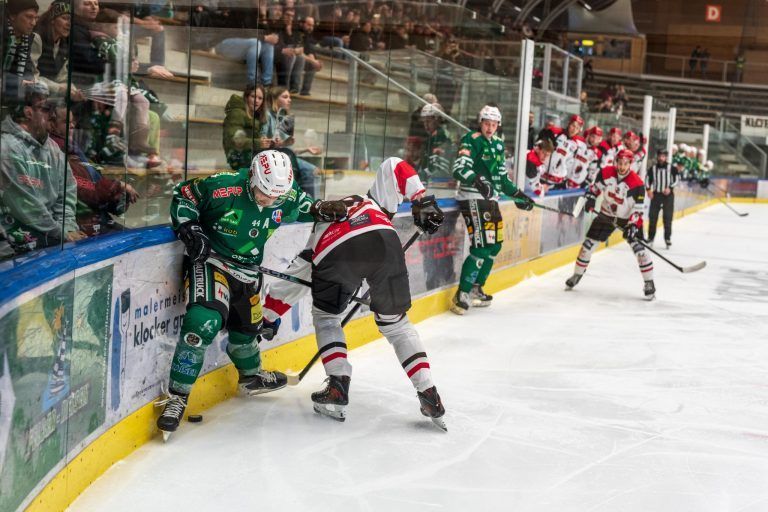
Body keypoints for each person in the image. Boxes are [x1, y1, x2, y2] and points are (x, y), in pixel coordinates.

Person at [156, 150, 348, 438]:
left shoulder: (284, 195)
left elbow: (305, 203)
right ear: (252, 178)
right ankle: (177, 397)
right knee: (202, 322)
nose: (269, 201)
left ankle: (250, 376)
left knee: (247, 332)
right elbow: (185, 195)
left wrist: (321, 207)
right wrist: (190, 228)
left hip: (247, 272)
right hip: (212, 263)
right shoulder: (224, 186)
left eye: (276, 197)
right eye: (264, 193)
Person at [260, 158, 448, 429]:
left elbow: (297, 277)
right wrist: (422, 200)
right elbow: (394, 165)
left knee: (327, 317)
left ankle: (337, 387)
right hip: (385, 242)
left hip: (336, 250)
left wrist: (268, 317)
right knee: (396, 325)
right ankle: (429, 394)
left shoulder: (327, 219)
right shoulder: (376, 204)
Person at [450, 105, 534, 314]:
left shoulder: (497, 144)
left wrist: (518, 195)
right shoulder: (472, 139)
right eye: (487, 123)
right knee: (481, 247)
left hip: (490, 200)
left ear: (498, 125)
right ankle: (462, 293)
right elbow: (459, 168)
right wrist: (477, 180)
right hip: (472, 198)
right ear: (481, 122)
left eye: (494, 124)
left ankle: (477, 287)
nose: (490, 128)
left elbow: (502, 179)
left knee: (494, 246)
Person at [0, 83, 85, 255]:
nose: (53, 114)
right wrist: (61, 233)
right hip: (12, 244)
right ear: (28, 112)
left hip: (49, 236)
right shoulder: (7, 148)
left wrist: (67, 227)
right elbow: (26, 206)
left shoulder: (53, 149)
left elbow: (67, 193)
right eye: (46, 108)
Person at [564, 149, 655, 300]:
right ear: (615, 162)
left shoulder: (638, 184)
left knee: (640, 251)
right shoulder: (605, 172)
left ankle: (649, 282)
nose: (622, 166)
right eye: (619, 162)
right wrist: (591, 198)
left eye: (625, 163)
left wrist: (633, 226)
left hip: (627, 219)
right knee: (587, 246)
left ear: (630, 164)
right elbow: (594, 189)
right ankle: (577, 275)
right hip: (606, 215)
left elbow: (638, 210)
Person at [48, 102, 139, 236]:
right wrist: (118, 185)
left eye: (73, 121)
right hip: (84, 224)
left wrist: (118, 195)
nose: (72, 126)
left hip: (96, 218)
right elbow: (86, 191)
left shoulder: (74, 150)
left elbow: (94, 184)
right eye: (66, 122)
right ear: (52, 125)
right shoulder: (61, 152)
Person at [223, 83, 267, 171]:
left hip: (249, 156)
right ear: (246, 97)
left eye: (260, 98)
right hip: (237, 158)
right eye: (253, 96)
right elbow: (235, 140)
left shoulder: (255, 116)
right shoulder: (237, 113)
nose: (257, 101)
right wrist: (259, 143)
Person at [3, 0, 40, 101]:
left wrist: (30, 81)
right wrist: (19, 82)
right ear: (12, 16)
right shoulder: (3, 34)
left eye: (36, 18)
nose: (33, 23)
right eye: (29, 17)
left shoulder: (25, 38)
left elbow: (27, 67)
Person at [539, 114, 586, 191]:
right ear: (569, 124)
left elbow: (570, 163)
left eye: (577, 128)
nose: (574, 129)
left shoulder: (577, 144)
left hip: (558, 183)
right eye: (573, 126)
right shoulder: (555, 133)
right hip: (542, 178)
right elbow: (539, 147)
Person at [645, 149, 679, 249]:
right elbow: (647, 180)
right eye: (660, 156)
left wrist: (670, 188)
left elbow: (677, 180)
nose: (661, 158)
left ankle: (667, 239)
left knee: (667, 218)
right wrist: (648, 190)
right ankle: (650, 238)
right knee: (652, 218)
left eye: (663, 156)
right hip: (656, 196)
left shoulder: (672, 168)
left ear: (666, 157)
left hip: (668, 196)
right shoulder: (653, 169)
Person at [417, 103, 453, 184]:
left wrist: (422, 176)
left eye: (428, 121)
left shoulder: (441, 136)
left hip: (436, 182)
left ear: (438, 120)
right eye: (424, 121)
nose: (426, 125)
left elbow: (439, 168)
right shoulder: (431, 137)